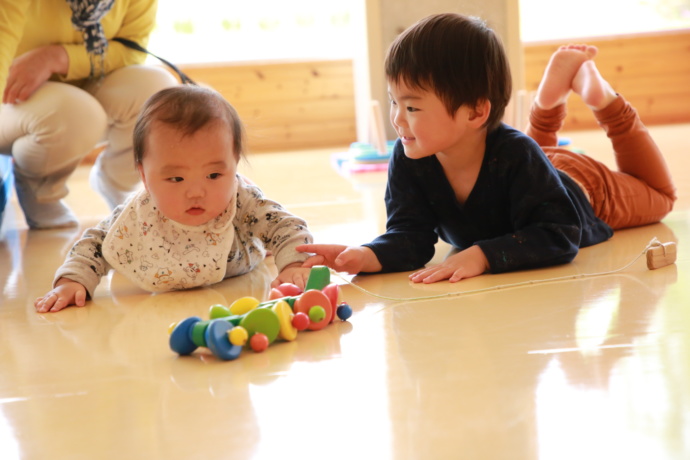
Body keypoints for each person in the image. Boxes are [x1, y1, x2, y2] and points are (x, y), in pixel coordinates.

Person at [297, 13, 676, 284]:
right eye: (394, 102)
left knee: (659, 196)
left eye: (412, 107)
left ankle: (604, 99)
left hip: (586, 189)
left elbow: (560, 234)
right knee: (527, 155)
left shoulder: (517, 154)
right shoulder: (411, 155)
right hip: (531, 168)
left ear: (476, 110)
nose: (397, 119)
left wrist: (483, 255)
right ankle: (549, 100)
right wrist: (367, 255)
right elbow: (411, 236)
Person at [34, 86, 314, 313]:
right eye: (176, 179)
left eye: (214, 174)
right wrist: (73, 280)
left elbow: (288, 227)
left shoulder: (242, 201)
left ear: (234, 164)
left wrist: (292, 267)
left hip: (238, 281)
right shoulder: (138, 211)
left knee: (261, 223)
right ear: (144, 176)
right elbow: (94, 243)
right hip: (156, 312)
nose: (196, 192)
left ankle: (254, 232)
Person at [0, 0, 179, 229]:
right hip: (11, 99)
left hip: (83, 92)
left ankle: (119, 185)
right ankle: (40, 189)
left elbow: (131, 50)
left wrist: (59, 58)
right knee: (76, 112)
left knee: (159, 91)